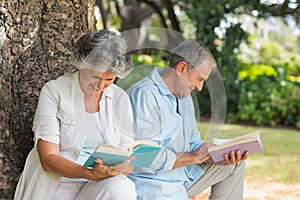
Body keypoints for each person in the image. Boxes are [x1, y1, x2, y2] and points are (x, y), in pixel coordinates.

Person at [14, 30, 137, 200]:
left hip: (96, 187)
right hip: (56, 185)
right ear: (81, 64)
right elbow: (48, 159)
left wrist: (119, 167)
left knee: (122, 188)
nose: (100, 86)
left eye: (109, 80)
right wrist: (89, 173)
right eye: (95, 76)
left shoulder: (120, 99)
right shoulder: (55, 91)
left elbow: (126, 154)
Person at [126, 39, 248, 200]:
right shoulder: (145, 95)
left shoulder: (184, 96)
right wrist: (194, 157)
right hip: (152, 184)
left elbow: (193, 143)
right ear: (181, 68)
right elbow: (143, 157)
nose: (200, 88)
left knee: (234, 163)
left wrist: (217, 153)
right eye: (199, 79)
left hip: (181, 175)